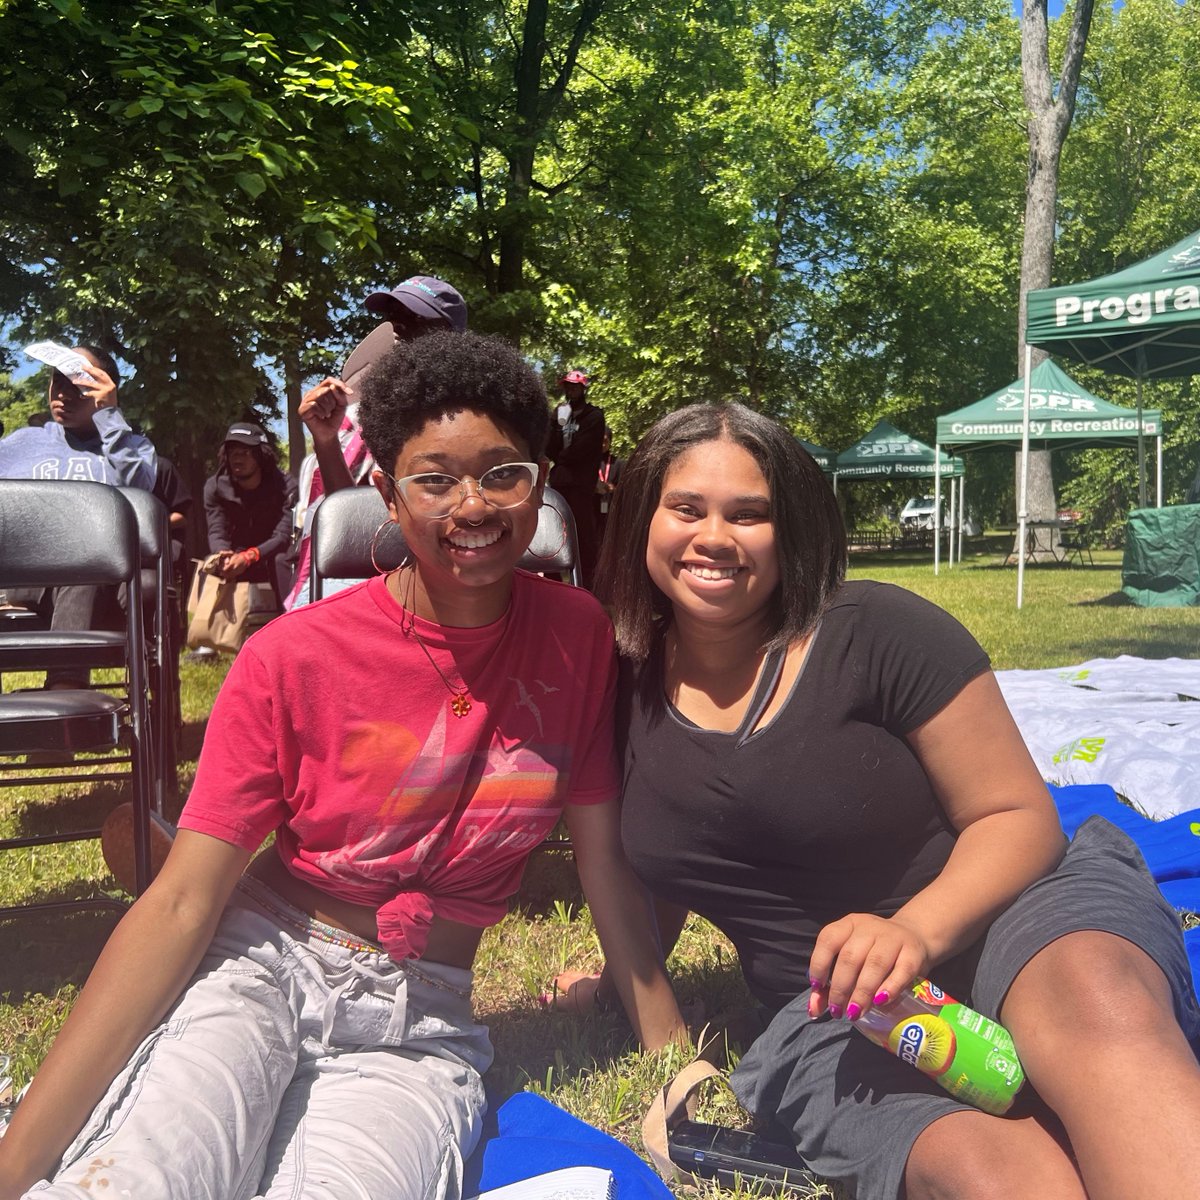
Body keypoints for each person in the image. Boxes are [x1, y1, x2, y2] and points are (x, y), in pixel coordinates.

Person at [0, 330, 683, 1200]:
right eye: (434, 479)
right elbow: (181, 902)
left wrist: (670, 1055)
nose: (471, 505)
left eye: (502, 473)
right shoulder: (293, 657)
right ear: (387, 495)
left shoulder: (578, 636)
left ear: (540, 485)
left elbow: (602, 860)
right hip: (259, 965)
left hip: (418, 1020)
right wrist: (15, 1167)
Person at [561, 401, 1200, 1200]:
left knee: (1099, 1016)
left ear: (791, 528)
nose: (714, 537)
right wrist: (622, 983)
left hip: (1015, 915)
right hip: (828, 1009)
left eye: (750, 513)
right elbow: (657, 858)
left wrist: (912, 930)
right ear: (642, 519)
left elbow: (1017, 817)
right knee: (989, 1175)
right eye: (686, 508)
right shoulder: (613, 682)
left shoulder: (879, 632)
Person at [286, 275, 468, 609]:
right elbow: (349, 516)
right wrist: (325, 441)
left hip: (428, 583)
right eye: (394, 317)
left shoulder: (466, 417)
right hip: (354, 574)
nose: (398, 329)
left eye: (415, 319)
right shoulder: (361, 417)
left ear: (450, 337)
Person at [0, 346, 155, 683]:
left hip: (105, 575)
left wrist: (111, 419)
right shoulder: (21, 444)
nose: (63, 393)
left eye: (78, 385)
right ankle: (69, 689)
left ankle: (65, 687)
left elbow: (140, 496)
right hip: (29, 575)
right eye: (58, 380)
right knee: (84, 565)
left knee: (90, 564)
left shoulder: (132, 447)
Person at [202, 421, 299, 612]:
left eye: (245, 453)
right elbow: (216, 528)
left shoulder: (286, 487)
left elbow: (283, 536)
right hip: (235, 553)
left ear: (261, 456)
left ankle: (291, 620)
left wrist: (250, 556)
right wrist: (223, 554)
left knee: (282, 560)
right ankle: (209, 635)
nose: (237, 459)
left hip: (271, 553)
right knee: (210, 565)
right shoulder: (214, 487)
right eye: (233, 452)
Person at [546, 370, 605, 585]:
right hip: (560, 483)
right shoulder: (560, 414)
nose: (571, 390)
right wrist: (555, 424)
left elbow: (585, 447)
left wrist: (562, 456)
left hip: (581, 485)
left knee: (583, 534)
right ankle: (553, 580)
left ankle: (589, 583)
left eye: (575, 386)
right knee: (556, 531)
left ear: (583, 388)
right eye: (568, 386)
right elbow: (549, 447)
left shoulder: (594, 416)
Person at [594, 425, 625, 545]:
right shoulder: (588, 464)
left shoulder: (619, 464)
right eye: (599, 441)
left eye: (605, 441)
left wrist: (613, 489)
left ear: (610, 442)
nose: (602, 444)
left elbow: (626, 489)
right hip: (592, 510)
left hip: (612, 511)